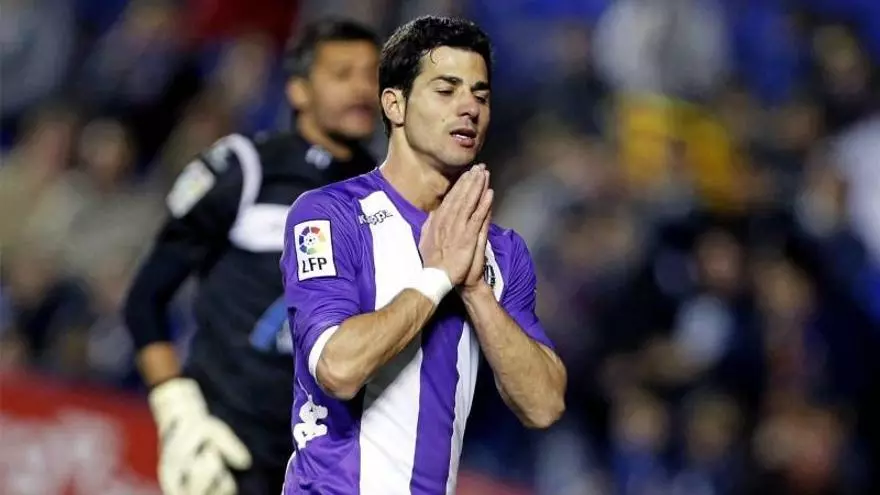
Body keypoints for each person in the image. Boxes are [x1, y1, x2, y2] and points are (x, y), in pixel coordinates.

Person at [280, 16, 567, 494]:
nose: (469, 107)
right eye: (446, 90)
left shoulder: (501, 250)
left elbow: (544, 405)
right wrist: (437, 276)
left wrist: (475, 289)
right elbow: (338, 369)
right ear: (394, 104)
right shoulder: (330, 216)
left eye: (480, 95)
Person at [123, 18, 381, 495]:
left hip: (328, 464)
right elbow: (145, 299)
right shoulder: (244, 169)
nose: (362, 89)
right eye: (343, 74)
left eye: (371, 75)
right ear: (298, 89)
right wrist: (178, 415)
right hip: (226, 451)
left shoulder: (390, 196)